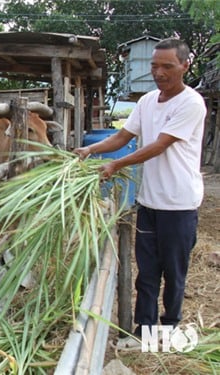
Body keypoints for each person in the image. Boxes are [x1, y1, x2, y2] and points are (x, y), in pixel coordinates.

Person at [74, 38, 206, 349]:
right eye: (154, 66)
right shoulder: (147, 101)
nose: (159, 72)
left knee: (174, 273)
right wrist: (90, 149)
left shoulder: (191, 103)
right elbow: (122, 135)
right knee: (147, 273)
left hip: (179, 203)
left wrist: (116, 165)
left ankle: (169, 328)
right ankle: (143, 333)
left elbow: (159, 145)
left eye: (167, 66)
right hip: (149, 201)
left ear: (185, 66)